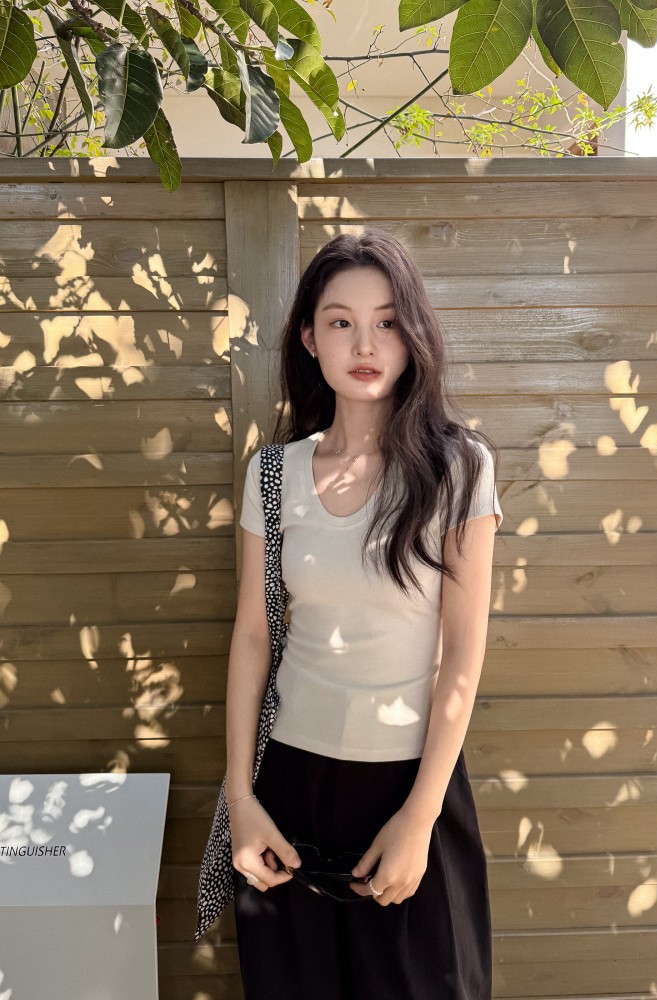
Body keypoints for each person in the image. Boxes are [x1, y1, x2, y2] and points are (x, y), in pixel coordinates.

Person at [206, 230, 503, 999]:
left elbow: (461, 658)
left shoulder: (458, 469)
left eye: (388, 322)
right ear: (309, 338)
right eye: (341, 322)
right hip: (288, 787)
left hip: (410, 785)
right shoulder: (273, 474)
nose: (365, 344)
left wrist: (420, 819)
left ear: (414, 335)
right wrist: (242, 801)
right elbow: (253, 636)